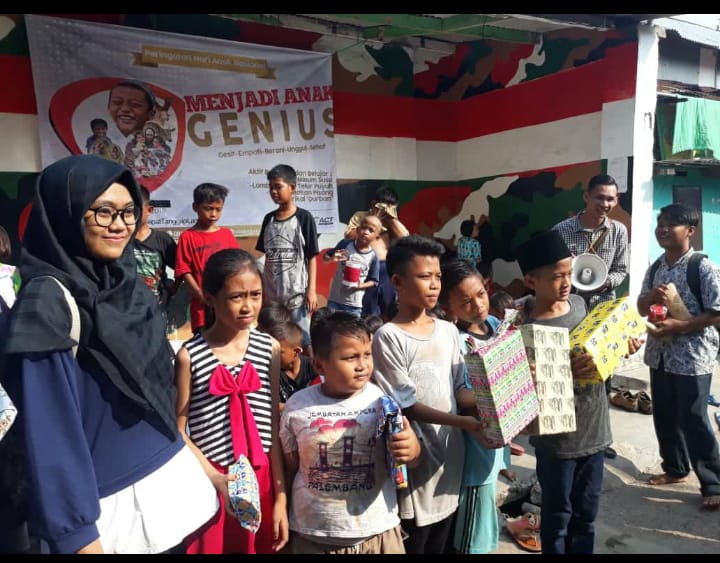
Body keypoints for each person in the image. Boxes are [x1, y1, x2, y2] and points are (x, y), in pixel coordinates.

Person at [0, 154, 218, 554]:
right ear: (66, 213)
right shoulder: (47, 301)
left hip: (172, 491)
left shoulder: (126, 284)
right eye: (103, 212)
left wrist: (205, 468)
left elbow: (159, 402)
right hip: (113, 518)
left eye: (128, 211)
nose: (119, 225)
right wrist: (78, 536)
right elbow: (50, 434)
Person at [513, 229, 640, 554]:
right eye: (557, 277)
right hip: (555, 441)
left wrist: (621, 345)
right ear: (531, 281)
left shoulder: (580, 305)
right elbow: (517, 387)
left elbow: (598, 352)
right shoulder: (522, 325)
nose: (567, 283)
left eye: (569, 273)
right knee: (558, 516)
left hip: (594, 431)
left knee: (586, 516)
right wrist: (562, 370)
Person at [370, 235, 493, 554]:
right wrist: (464, 424)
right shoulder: (388, 337)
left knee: (444, 541)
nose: (435, 284)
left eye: (438, 276)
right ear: (398, 281)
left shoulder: (449, 330)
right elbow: (407, 405)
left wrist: (493, 399)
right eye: (425, 276)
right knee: (417, 542)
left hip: (451, 462)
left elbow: (461, 391)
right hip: (416, 464)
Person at [175, 248, 289, 554]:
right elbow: (179, 431)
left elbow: (272, 425)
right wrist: (215, 478)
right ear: (210, 298)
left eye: (255, 295)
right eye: (236, 297)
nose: (248, 306)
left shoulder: (269, 349)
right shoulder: (190, 356)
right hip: (212, 479)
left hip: (261, 477)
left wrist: (280, 496)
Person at [279, 311, 422, 554]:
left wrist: (412, 449)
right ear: (320, 364)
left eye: (367, 354)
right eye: (350, 357)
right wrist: (281, 508)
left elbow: (408, 461)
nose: (362, 365)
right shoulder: (297, 406)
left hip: (376, 533)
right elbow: (290, 467)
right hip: (315, 535)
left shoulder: (382, 401)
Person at [637, 203, 720, 510]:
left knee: (694, 418)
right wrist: (651, 297)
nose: (663, 229)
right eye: (660, 223)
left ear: (690, 231)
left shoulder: (703, 267)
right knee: (665, 415)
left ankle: (713, 483)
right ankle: (675, 469)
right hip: (659, 354)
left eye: (671, 224)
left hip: (692, 357)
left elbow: (717, 311)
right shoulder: (656, 267)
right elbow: (641, 307)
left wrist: (681, 325)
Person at [552, 174, 630, 460]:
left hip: (601, 313)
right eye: (599, 197)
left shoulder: (619, 231)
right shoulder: (561, 230)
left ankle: (599, 438)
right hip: (568, 311)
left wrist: (605, 283)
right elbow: (551, 269)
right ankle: (563, 432)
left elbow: (622, 269)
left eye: (610, 199)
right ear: (586, 196)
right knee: (567, 370)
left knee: (601, 374)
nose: (604, 204)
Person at [438, 258, 509, 554]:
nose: (478, 305)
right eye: (465, 302)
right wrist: (495, 392)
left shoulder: (496, 325)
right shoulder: (454, 340)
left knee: (485, 507)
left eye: (481, 294)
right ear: (448, 305)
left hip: (499, 436)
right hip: (475, 444)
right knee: (471, 526)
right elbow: (459, 395)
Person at [256, 164, 319, 350]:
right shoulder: (269, 219)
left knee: (303, 338)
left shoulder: (304, 218)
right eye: (270, 188)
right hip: (272, 294)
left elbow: (312, 257)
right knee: (273, 337)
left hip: (296, 293)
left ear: (292, 187)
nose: (274, 192)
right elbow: (264, 256)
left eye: (278, 187)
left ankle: (310, 367)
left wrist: (311, 290)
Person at [175, 182, 239, 332]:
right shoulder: (187, 237)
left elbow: (237, 264)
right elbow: (183, 269)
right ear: (195, 207)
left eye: (218, 209)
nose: (213, 214)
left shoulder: (227, 235)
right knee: (203, 341)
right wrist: (199, 294)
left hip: (227, 304)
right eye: (208, 208)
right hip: (202, 307)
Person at [345, 187, 410, 320]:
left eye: (390, 207)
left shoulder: (392, 222)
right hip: (364, 267)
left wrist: (391, 220)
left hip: (386, 268)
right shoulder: (360, 216)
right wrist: (373, 222)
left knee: (389, 307)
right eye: (383, 206)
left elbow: (405, 239)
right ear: (373, 204)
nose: (385, 210)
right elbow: (349, 236)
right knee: (366, 308)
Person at [323, 214, 381, 316]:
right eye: (364, 228)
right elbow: (325, 258)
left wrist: (360, 285)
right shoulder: (345, 244)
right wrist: (332, 258)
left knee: (351, 326)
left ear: (377, 237)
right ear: (358, 230)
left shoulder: (373, 256)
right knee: (330, 325)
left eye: (371, 230)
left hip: (354, 305)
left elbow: (374, 281)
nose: (365, 232)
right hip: (335, 300)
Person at [133, 185, 178, 316]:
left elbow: (182, 269)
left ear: (149, 210)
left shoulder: (162, 239)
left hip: (156, 309)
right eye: (128, 210)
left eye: (136, 210)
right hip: (127, 309)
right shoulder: (120, 239)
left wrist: (171, 289)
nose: (132, 215)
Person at [262, 319, 317, 411]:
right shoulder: (270, 373)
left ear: (296, 351)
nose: (272, 354)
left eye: (279, 351)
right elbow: (271, 405)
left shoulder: (314, 368)